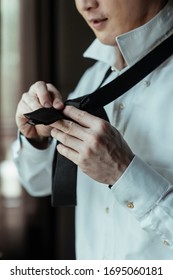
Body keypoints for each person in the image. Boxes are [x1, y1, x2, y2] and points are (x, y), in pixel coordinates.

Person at [13, 0, 173, 259]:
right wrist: (38, 141)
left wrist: (124, 174)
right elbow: (40, 182)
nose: (86, 4)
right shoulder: (92, 79)